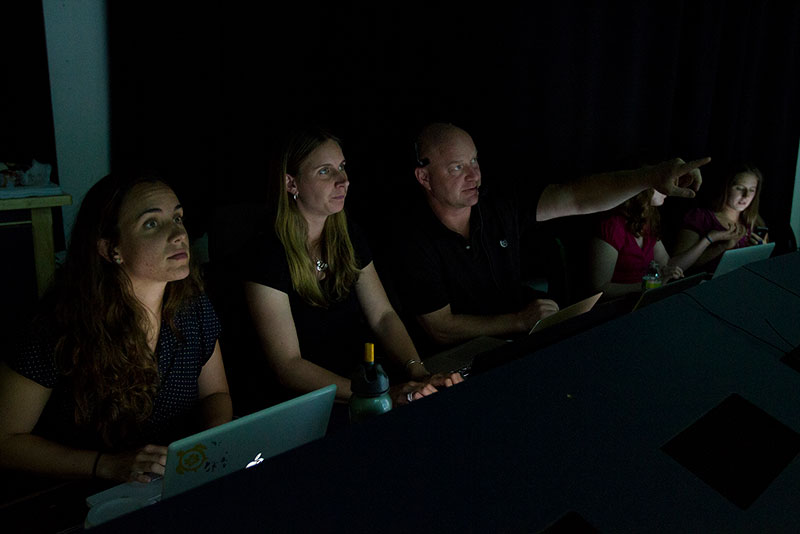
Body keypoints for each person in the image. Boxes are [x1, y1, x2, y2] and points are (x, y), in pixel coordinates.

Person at [0, 171, 232, 484]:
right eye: (151, 223)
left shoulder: (193, 306)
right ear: (111, 249)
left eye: (177, 218)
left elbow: (215, 394)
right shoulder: (56, 325)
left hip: (172, 483)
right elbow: (7, 440)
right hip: (83, 492)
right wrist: (106, 465)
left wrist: (201, 453)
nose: (179, 234)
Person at [394, 122, 710, 349]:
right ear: (424, 177)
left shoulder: (497, 206)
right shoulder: (413, 239)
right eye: (456, 167)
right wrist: (519, 320)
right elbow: (440, 328)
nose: (473, 174)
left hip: (516, 344)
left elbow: (575, 197)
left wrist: (650, 177)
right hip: (454, 361)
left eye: (475, 161)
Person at [242, 126, 462, 409]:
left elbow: (382, 316)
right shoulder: (265, 254)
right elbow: (289, 366)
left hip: (366, 387)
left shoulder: (348, 235)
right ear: (290, 184)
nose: (343, 180)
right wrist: (375, 395)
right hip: (310, 408)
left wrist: (418, 372)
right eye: (325, 171)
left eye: (342, 167)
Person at [588, 188, 736, 300]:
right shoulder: (612, 226)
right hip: (619, 309)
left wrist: (709, 239)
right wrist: (650, 285)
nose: (668, 189)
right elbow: (599, 289)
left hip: (644, 302)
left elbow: (668, 265)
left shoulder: (647, 221)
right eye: (661, 184)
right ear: (644, 188)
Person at [673, 163, 768, 273]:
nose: (746, 195)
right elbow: (679, 267)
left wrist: (762, 251)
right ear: (725, 188)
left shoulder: (754, 222)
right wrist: (720, 247)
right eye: (739, 188)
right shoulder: (700, 217)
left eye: (752, 190)